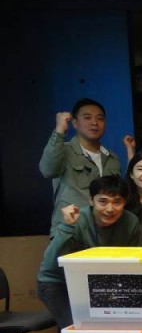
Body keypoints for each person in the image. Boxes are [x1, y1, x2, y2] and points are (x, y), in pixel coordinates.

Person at [36, 175, 140, 333]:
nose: (110, 209)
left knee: (117, 326)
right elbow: (51, 261)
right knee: (75, 329)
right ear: (91, 200)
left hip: (96, 284)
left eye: (117, 202)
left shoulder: (130, 221)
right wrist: (67, 227)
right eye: (103, 201)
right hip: (57, 282)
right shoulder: (77, 219)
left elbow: (131, 261)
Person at [40, 98, 122, 236]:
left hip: (105, 233)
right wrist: (59, 131)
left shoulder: (112, 158)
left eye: (100, 118)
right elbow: (47, 170)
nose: (94, 123)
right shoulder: (62, 150)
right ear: (75, 123)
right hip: (70, 230)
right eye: (87, 118)